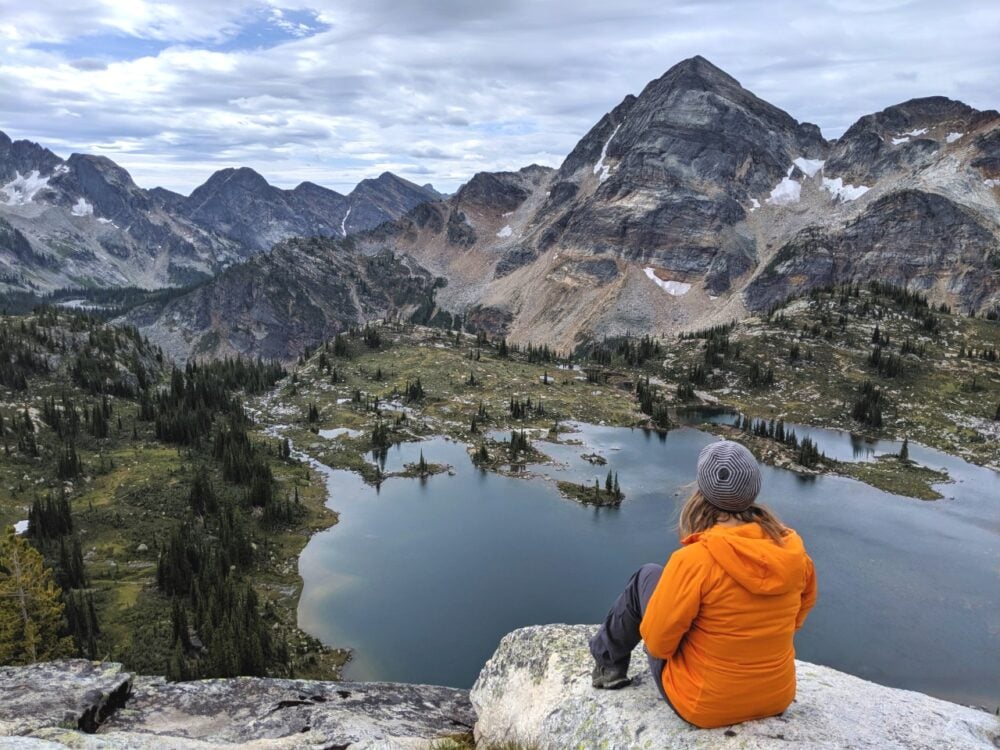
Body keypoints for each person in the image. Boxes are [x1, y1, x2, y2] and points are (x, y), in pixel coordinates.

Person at [589, 439, 817, 729]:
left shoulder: (695, 560)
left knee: (646, 577)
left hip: (703, 704)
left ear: (702, 492)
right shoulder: (793, 553)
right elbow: (798, 615)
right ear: (753, 487)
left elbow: (658, 644)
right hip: (776, 697)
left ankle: (608, 665)